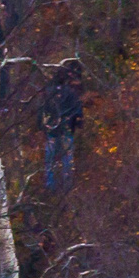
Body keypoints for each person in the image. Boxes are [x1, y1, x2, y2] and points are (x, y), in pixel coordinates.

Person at [42, 59, 84, 193]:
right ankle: (67, 186)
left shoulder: (48, 92)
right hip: (66, 130)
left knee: (50, 159)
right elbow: (78, 110)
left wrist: (43, 125)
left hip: (53, 131)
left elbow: (42, 110)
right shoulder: (71, 93)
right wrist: (77, 122)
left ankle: (50, 186)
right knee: (66, 159)